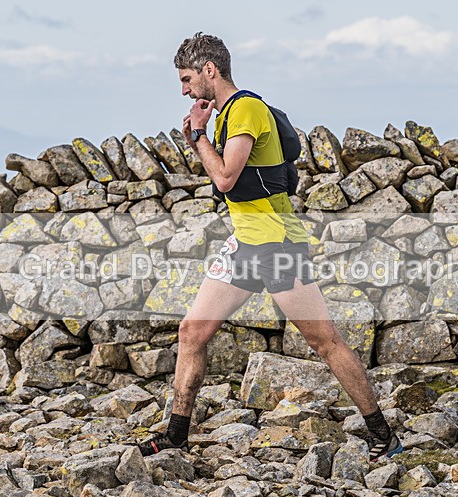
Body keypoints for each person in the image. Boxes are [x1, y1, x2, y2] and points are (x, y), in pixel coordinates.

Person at [137, 32, 402, 462]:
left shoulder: (246, 110)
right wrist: (197, 139)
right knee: (191, 331)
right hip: (245, 244)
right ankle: (175, 435)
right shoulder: (223, 115)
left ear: (210, 70)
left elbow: (224, 178)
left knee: (324, 340)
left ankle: (382, 434)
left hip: (277, 244)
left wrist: (199, 138)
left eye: (187, 79)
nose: (184, 90)